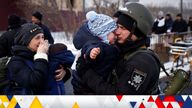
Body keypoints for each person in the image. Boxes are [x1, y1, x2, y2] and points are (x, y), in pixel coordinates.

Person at [76, 3, 161, 95]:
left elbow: (120, 98)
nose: (116, 32)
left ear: (136, 32)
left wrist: (86, 73)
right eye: (117, 26)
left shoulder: (142, 62)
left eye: (122, 28)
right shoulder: (123, 50)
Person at [5, 23, 65, 95]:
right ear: (26, 41)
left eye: (42, 37)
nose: (42, 41)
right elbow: (36, 82)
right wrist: (41, 56)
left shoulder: (44, 55)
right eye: (37, 38)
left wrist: (64, 71)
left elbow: (50, 77)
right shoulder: (16, 62)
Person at [72, 11, 119, 94]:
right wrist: (92, 53)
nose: (116, 36)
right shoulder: (97, 45)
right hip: (87, 88)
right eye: (113, 33)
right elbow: (89, 48)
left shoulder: (107, 44)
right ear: (104, 34)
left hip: (94, 83)